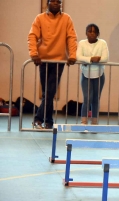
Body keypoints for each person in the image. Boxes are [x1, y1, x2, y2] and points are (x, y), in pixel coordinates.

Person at [28, 0, 77, 129]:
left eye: (58, 2)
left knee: (50, 91)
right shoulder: (40, 18)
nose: (56, 3)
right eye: (53, 1)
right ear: (47, 3)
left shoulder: (66, 18)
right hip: (43, 60)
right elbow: (32, 36)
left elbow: (71, 37)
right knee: (47, 93)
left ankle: (38, 118)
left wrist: (72, 55)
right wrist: (34, 54)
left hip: (58, 61)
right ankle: (49, 121)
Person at [76, 24, 109, 125]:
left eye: (94, 32)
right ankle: (83, 120)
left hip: (99, 74)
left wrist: (89, 60)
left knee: (96, 98)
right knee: (87, 98)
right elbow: (78, 56)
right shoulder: (82, 43)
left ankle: (94, 120)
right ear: (86, 33)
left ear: (98, 34)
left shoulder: (102, 43)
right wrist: (91, 59)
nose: (92, 33)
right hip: (86, 74)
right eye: (90, 31)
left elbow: (105, 58)